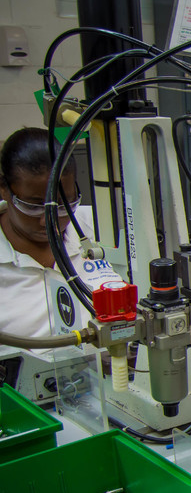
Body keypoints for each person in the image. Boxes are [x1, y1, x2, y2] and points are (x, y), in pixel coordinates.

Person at [0, 127, 95, 340]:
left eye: (63, 206)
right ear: (3, 188)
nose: (48, 221)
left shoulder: (100, 227)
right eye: (32, 207)